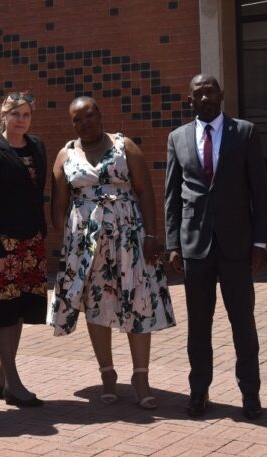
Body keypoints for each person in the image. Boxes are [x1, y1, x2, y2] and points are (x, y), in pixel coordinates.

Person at [48, 96, 175, 409]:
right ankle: (107, 374)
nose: (84, 123)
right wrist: (68, 243)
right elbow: (58, 204)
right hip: (86, 245)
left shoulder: (124, 146)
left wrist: (151, 236)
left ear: (100, 115)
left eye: (89, 115)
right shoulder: (66, 153)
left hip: (129, 238)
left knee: (137, 300)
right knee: (96, 303)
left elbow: (145, 192)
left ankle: (141, 377)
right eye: (77, 119)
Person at [164, 74, 267, 421]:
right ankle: (199, 392)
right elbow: (172, 196)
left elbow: (259, 189)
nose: (205, 97)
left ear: (221, 94)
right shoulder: (177, 138)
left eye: (210, 91)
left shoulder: (245, 132)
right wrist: (172, 243)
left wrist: (259, 241)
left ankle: (250, 394)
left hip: (237, 244)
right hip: (195, 246)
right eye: (198, 93)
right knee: (198, 325)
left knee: (243, 323)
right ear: (190, 100)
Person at [0, 92, 48, 407]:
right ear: (3, 115)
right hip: (4, 244)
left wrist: (41, 232)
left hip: (31, 242)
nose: (21, 120)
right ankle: (14, 384)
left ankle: (3, 378)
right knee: (5, 311)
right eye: (15, 114)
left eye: (26, 114)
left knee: (19, 309)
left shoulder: (37, 147)